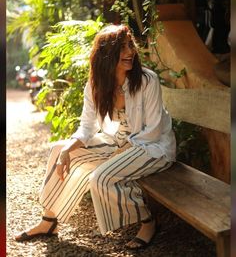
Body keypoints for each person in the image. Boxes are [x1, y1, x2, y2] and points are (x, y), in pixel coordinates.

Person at [15, 24, 176, 250]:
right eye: (122, 48)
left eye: (130, 45)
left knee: (100, 177)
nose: (130, 52)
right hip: (116, 141)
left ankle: (148, 222)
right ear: (106, 55)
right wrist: (67, 150)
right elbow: (87, 127)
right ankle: (49, 221)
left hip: (151, 146)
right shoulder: (95, 86)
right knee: (58, 149)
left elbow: (154, 130)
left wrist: (123, 152)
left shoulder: (147, 81)